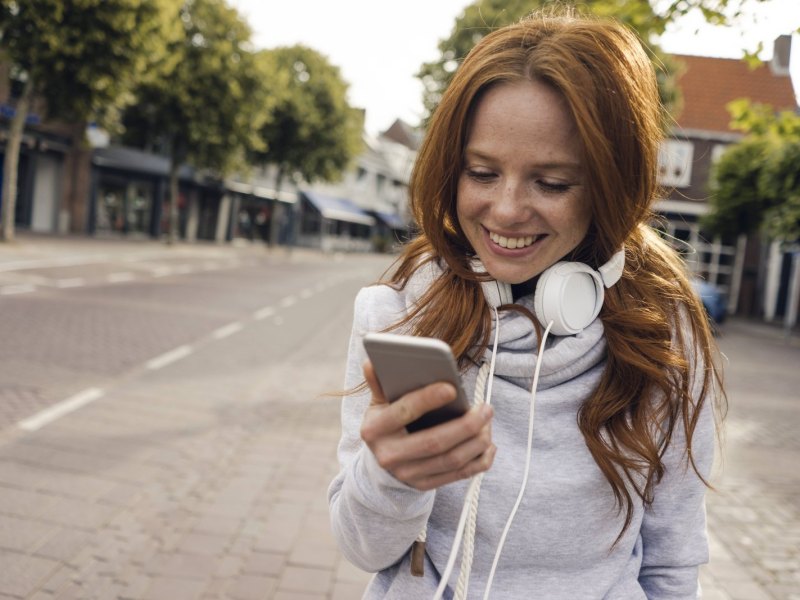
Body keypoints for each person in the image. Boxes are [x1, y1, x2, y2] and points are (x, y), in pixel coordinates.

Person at [328, 9, 723, 600]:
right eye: (482, 172)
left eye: (552, 183)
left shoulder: (664, 335)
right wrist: (389, 479)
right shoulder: (400, 318)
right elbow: (367, 551)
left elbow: (672, 565)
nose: (507, 210)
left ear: (611, 186)